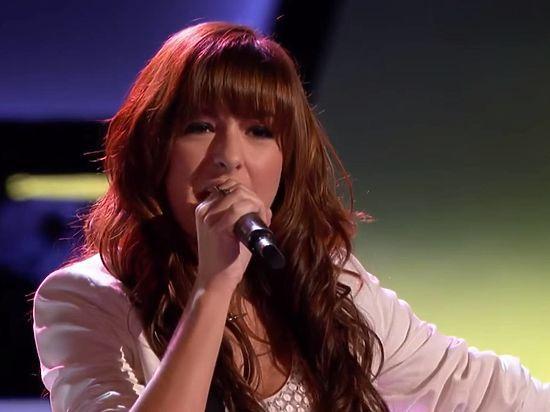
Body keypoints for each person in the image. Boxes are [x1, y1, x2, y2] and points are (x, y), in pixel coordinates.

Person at [32, 21, 549, 412]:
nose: (229, 157)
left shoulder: (326, 279)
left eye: (260, 131)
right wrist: (213, 286)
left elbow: (470, 385)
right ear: (153, 148)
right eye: (199, 127)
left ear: (287, 158)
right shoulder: (84, 300)